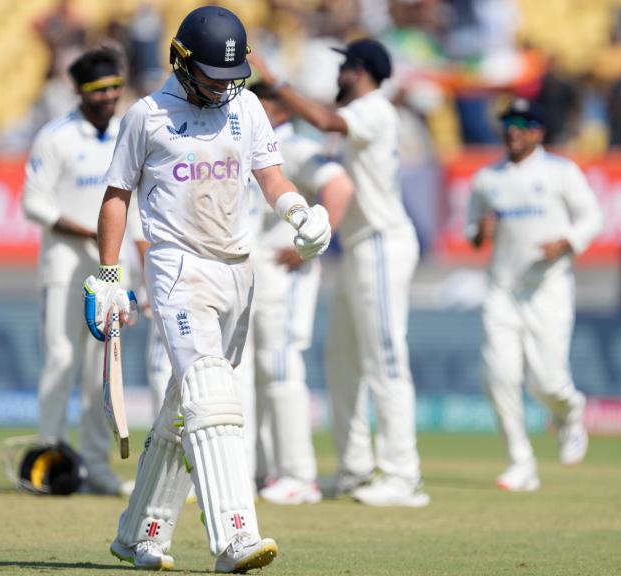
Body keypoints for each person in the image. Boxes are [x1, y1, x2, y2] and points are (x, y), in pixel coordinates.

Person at [84, 6, 331, 572]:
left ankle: (140, 532)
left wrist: (298, 213)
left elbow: (271, 175)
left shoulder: (244, 106)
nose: (223, 89)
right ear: (181, 60)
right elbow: (117, 196)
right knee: (214, 397)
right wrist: (108, 274)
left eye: (231, 78)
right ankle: (235, 537)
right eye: (212, 78)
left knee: (185, 405)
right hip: (177, 268)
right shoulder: (146, 117)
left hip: (237, 270)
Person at [251, 39, 430, 507]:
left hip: (383, 243)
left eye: (346, 64)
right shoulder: (357, 111)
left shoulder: (375, 108)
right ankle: (355, 469)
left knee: (386, 359)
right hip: (356, 248)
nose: (340, 70)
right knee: (342, 361)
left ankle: (402, 474)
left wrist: (273, 82)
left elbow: (324, 120)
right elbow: (321, 117)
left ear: (363, 70)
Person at [465, 98, 602, 492]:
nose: (513, 129)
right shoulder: (487, 178)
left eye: (523, 123)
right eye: (508, 121)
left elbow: (593, 217)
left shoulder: (561, 172)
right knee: (499, 376)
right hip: (502, 292)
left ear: (538, 132)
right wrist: (480, 233)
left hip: (548, 289)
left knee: (547, 382)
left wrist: (568, 241)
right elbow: (472, 231)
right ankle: (520, 462)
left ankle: (571, 414)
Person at [21, 47, 132, 496]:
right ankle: (48, 456)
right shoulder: (56, 136)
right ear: (80, 92)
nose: (108, 97)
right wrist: (87, 230)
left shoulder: (127, 132)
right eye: (98, 90)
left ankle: (94, 465)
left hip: (108, 267)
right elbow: (33, 202)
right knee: (61, 358)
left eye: (114, 88)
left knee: (99, 369)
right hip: (65, 262)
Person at [249, 81, 354, 505]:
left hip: (284, 273)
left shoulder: (292, 146)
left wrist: (311, 242)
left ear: (276, 109)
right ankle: (263, 470)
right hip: (255, 274)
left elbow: (339, 186)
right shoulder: (250, 147)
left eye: (258, 103)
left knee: (281, 367)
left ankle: (300, 475)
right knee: (256, 374)